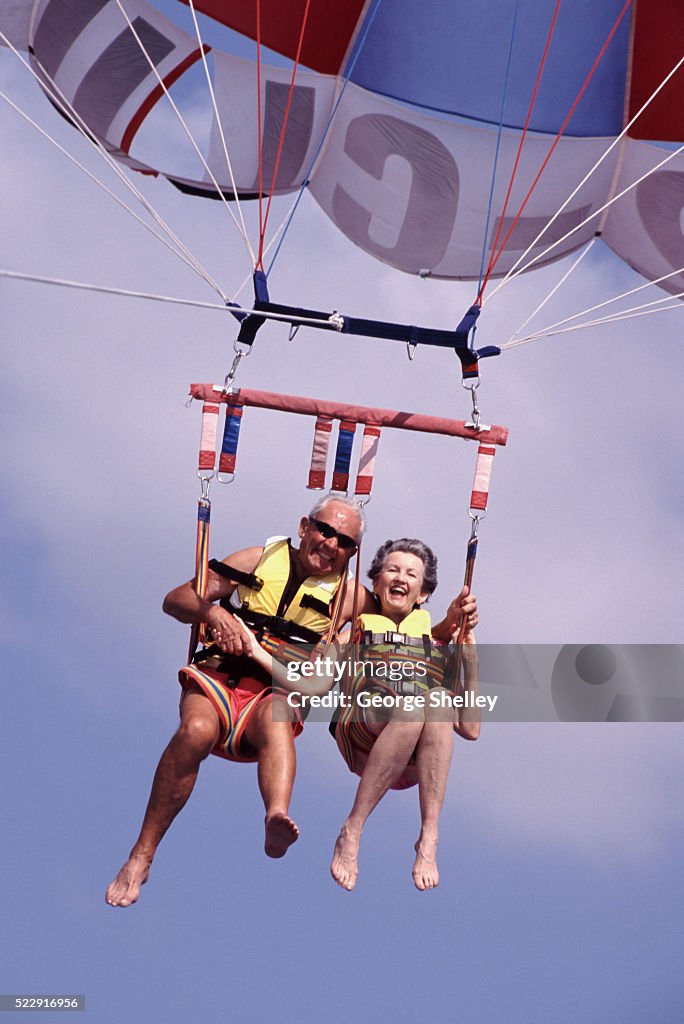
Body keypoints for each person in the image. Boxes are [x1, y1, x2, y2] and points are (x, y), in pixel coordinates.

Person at [105, 495, 366, 907]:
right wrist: (214, 614)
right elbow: (176, 599)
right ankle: (142, 854)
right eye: (325, 531)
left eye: (346, 542)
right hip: (220, 678)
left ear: (353, 553)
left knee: (277, 716)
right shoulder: (257, 559)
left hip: (274, 693)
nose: (332, 545)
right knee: (195, 732)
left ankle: (276, 817)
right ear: (304, 527)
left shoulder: (351, 598)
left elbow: (401, 616)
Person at [328, 538, 479, 893]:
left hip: (413, 759)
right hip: (362, 734)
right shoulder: (356, 632)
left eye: (411, 574)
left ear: (422, 593)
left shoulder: (440, 646)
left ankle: (429, 835)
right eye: (392, 570)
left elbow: (470, 728)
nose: (400, 578)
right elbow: (314, 673)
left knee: (437, 698)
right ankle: (353, 828)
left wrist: (469, 653)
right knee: (413, 705)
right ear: (377, 584)